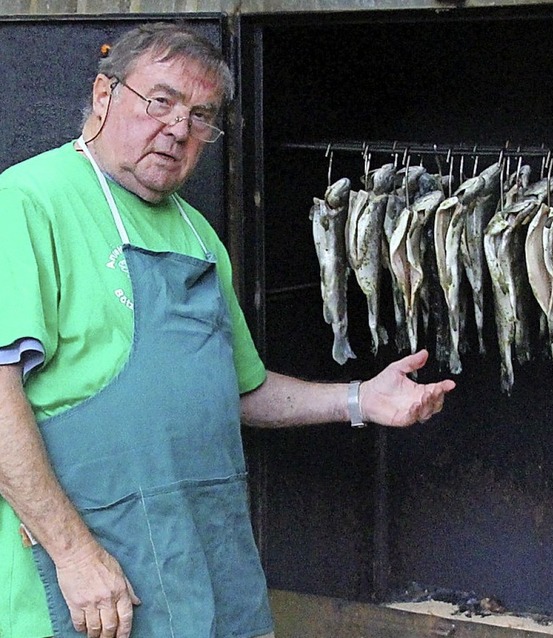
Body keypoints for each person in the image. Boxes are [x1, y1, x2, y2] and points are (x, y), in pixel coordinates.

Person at [0, 21, 456, 638]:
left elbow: (241, 390)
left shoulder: (196, 234)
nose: (178, 129)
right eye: (160, 102)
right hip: (93, 575)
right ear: (105, 97)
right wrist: (75, 555)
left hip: (202, 561)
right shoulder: (29, 201)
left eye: (201, 115)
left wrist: (358, 399)